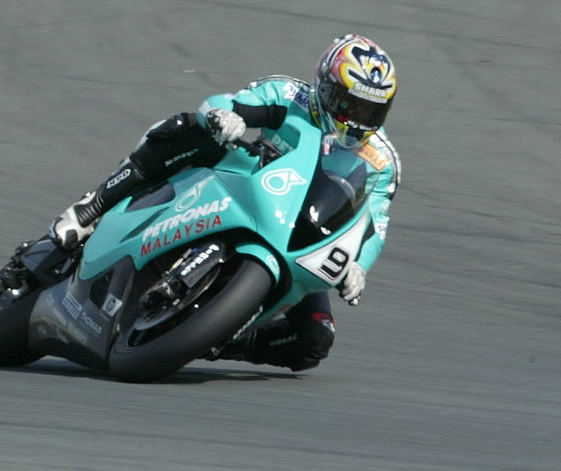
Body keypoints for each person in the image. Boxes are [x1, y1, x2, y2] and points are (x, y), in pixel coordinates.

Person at [48, 34, 401, 372]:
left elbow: (376, 224)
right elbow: (227, 102)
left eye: (370, 112)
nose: (355, 120)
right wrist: (224, 115)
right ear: (324, 88)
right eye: (348, 104)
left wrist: (359, 266)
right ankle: (93, 207)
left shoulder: (381, 160)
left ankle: (217, 336)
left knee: (315, 339)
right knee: (188, 128)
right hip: (245, 182)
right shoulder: (291, 95)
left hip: (298, 235)